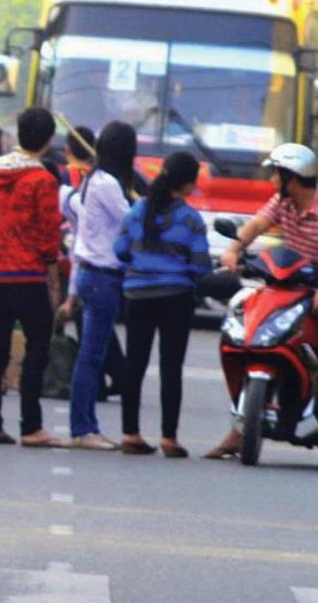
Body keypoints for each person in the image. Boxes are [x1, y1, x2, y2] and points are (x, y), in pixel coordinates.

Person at [202, 142, 318, 459]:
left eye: (277, 174)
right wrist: (235, 249)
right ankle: (238, 430)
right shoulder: (282, 203)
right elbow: (255, 225)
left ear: (293, 177)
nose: (273, 181)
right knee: (246, 336)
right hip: (287, 286)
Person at [0, 107, 64, 447]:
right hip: (30, 274)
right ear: (48, 140)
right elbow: (48, 233)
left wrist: (0, 232)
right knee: (36, 348)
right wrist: (52, 276)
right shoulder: (44, 179)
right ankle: (31, 424)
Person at [115, 151, 210, 458]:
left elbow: (119, 250)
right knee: (171, 367)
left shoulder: (136, 210)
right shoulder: (191, 220)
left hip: (137, 296)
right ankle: (169, 438)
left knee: (135, 362)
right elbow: (200, 266)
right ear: (186, 183)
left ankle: (130, 433)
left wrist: (142, 266)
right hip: (176, 299)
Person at [60, 120, 140, 450]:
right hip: (102, 277)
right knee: (91, 356)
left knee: (91, 354)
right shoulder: (106, 184)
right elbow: (132, 221)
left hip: (90, 275)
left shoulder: (95, 180)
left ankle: (85, 425)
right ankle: (83, 428)